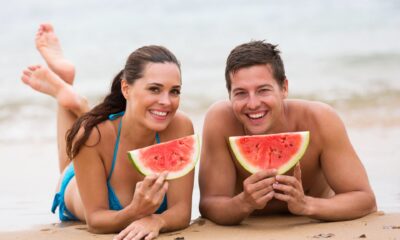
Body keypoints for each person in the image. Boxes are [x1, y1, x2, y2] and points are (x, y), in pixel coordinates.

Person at [21, 24, 194, 239]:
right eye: (154, 89)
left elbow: (182, 211)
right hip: (80, 181)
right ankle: (70, 93)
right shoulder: (94, 136)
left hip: (99, 141)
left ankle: (72, 96)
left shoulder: (181, 126)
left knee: (85, 133)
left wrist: (157, 219)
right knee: (71, 160)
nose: (166, 102)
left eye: (174, 91)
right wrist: (135, 211)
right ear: (126, 88)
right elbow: (95, 220)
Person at [199, 40, 376, 225]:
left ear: (284, 88)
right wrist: (243, 203)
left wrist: (306, 205)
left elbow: (365, 199)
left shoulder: (320, 120)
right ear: (229, 95)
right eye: (240, 93)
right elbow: (210, 204)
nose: (252, 104)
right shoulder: (219, 121)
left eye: (263, 90)